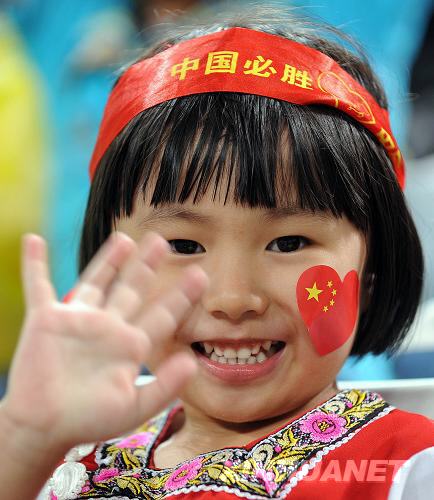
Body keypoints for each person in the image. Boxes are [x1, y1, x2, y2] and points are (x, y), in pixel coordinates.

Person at [1, 5, 433, 500]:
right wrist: (23, 441)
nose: (232, 297)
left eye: (289, 243)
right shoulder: (57, 454)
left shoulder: (402, 469)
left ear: (375, 266)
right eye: (183, 245)